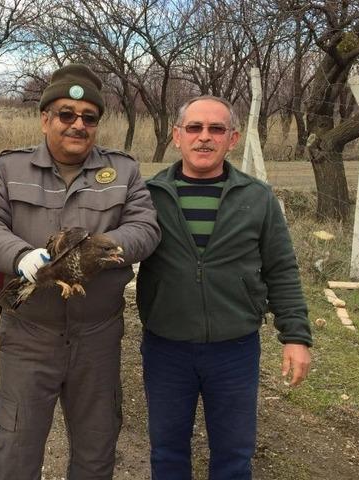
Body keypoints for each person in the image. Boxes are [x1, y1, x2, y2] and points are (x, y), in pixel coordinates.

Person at [0, 64, 161, 479]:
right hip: (29, 335)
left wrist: (97, 252)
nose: (78, 124)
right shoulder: (9, 169)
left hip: (98, 337)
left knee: (96, 446)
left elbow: (145, 228)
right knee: (15, 446)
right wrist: (20, 256)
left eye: (89, 117)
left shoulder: (123, 171)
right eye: (66, 114)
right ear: (45, 118)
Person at [136, 95, 313, 479]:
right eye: (194, 128)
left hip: (234, 350)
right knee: (167, 453)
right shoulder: (147, 196)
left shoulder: (257, 197)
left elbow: (282, 269)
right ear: (177, 136)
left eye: (216, 129)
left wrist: (296, 336)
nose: (204, 138)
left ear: (232, 139)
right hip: (166, 346)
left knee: (233, 455)